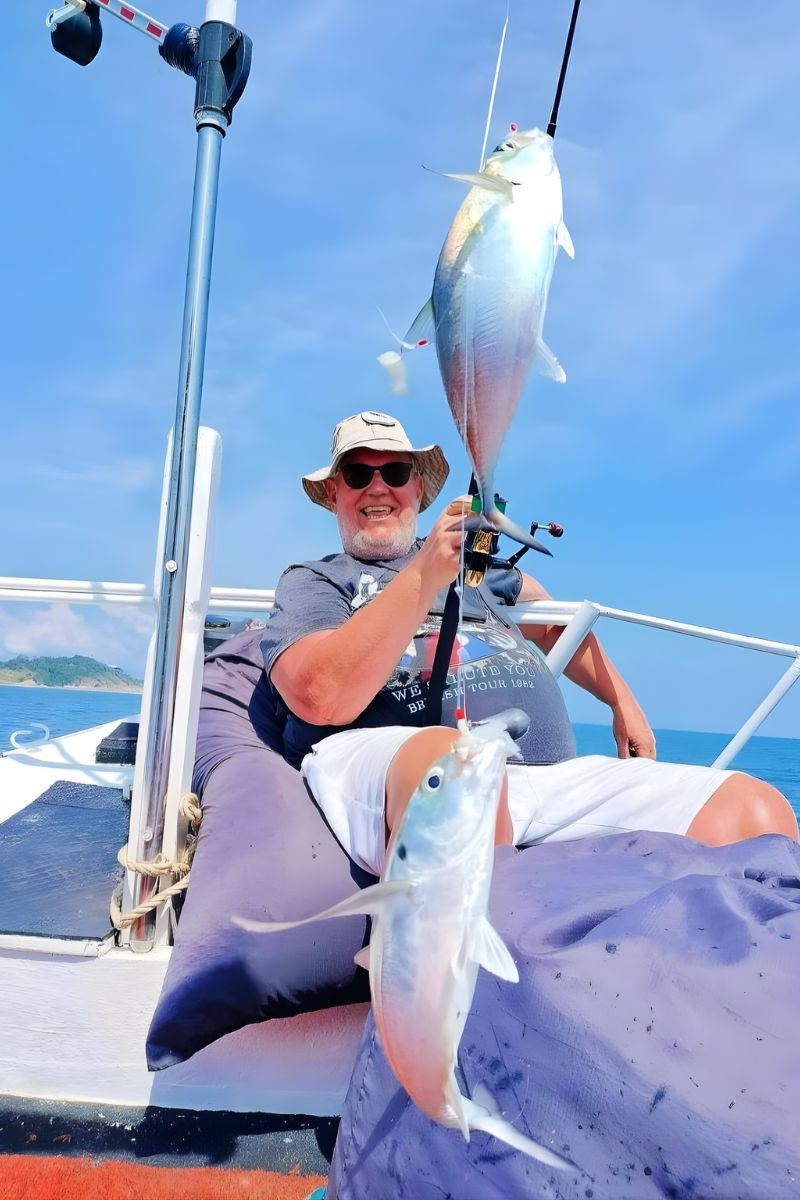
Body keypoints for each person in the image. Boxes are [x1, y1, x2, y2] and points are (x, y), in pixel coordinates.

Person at [260, 411, 797, 877]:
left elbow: (552, 624)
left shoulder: (473, 567)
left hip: (546, 779)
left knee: (752, 810)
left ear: (417, 488)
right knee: (454, 774)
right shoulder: (316, 580)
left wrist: (621, 702)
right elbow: (320, 693)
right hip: (407, 776)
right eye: (358, 473)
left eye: (395, 471)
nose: (378, 487)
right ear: (334, 492)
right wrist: (423, 576)